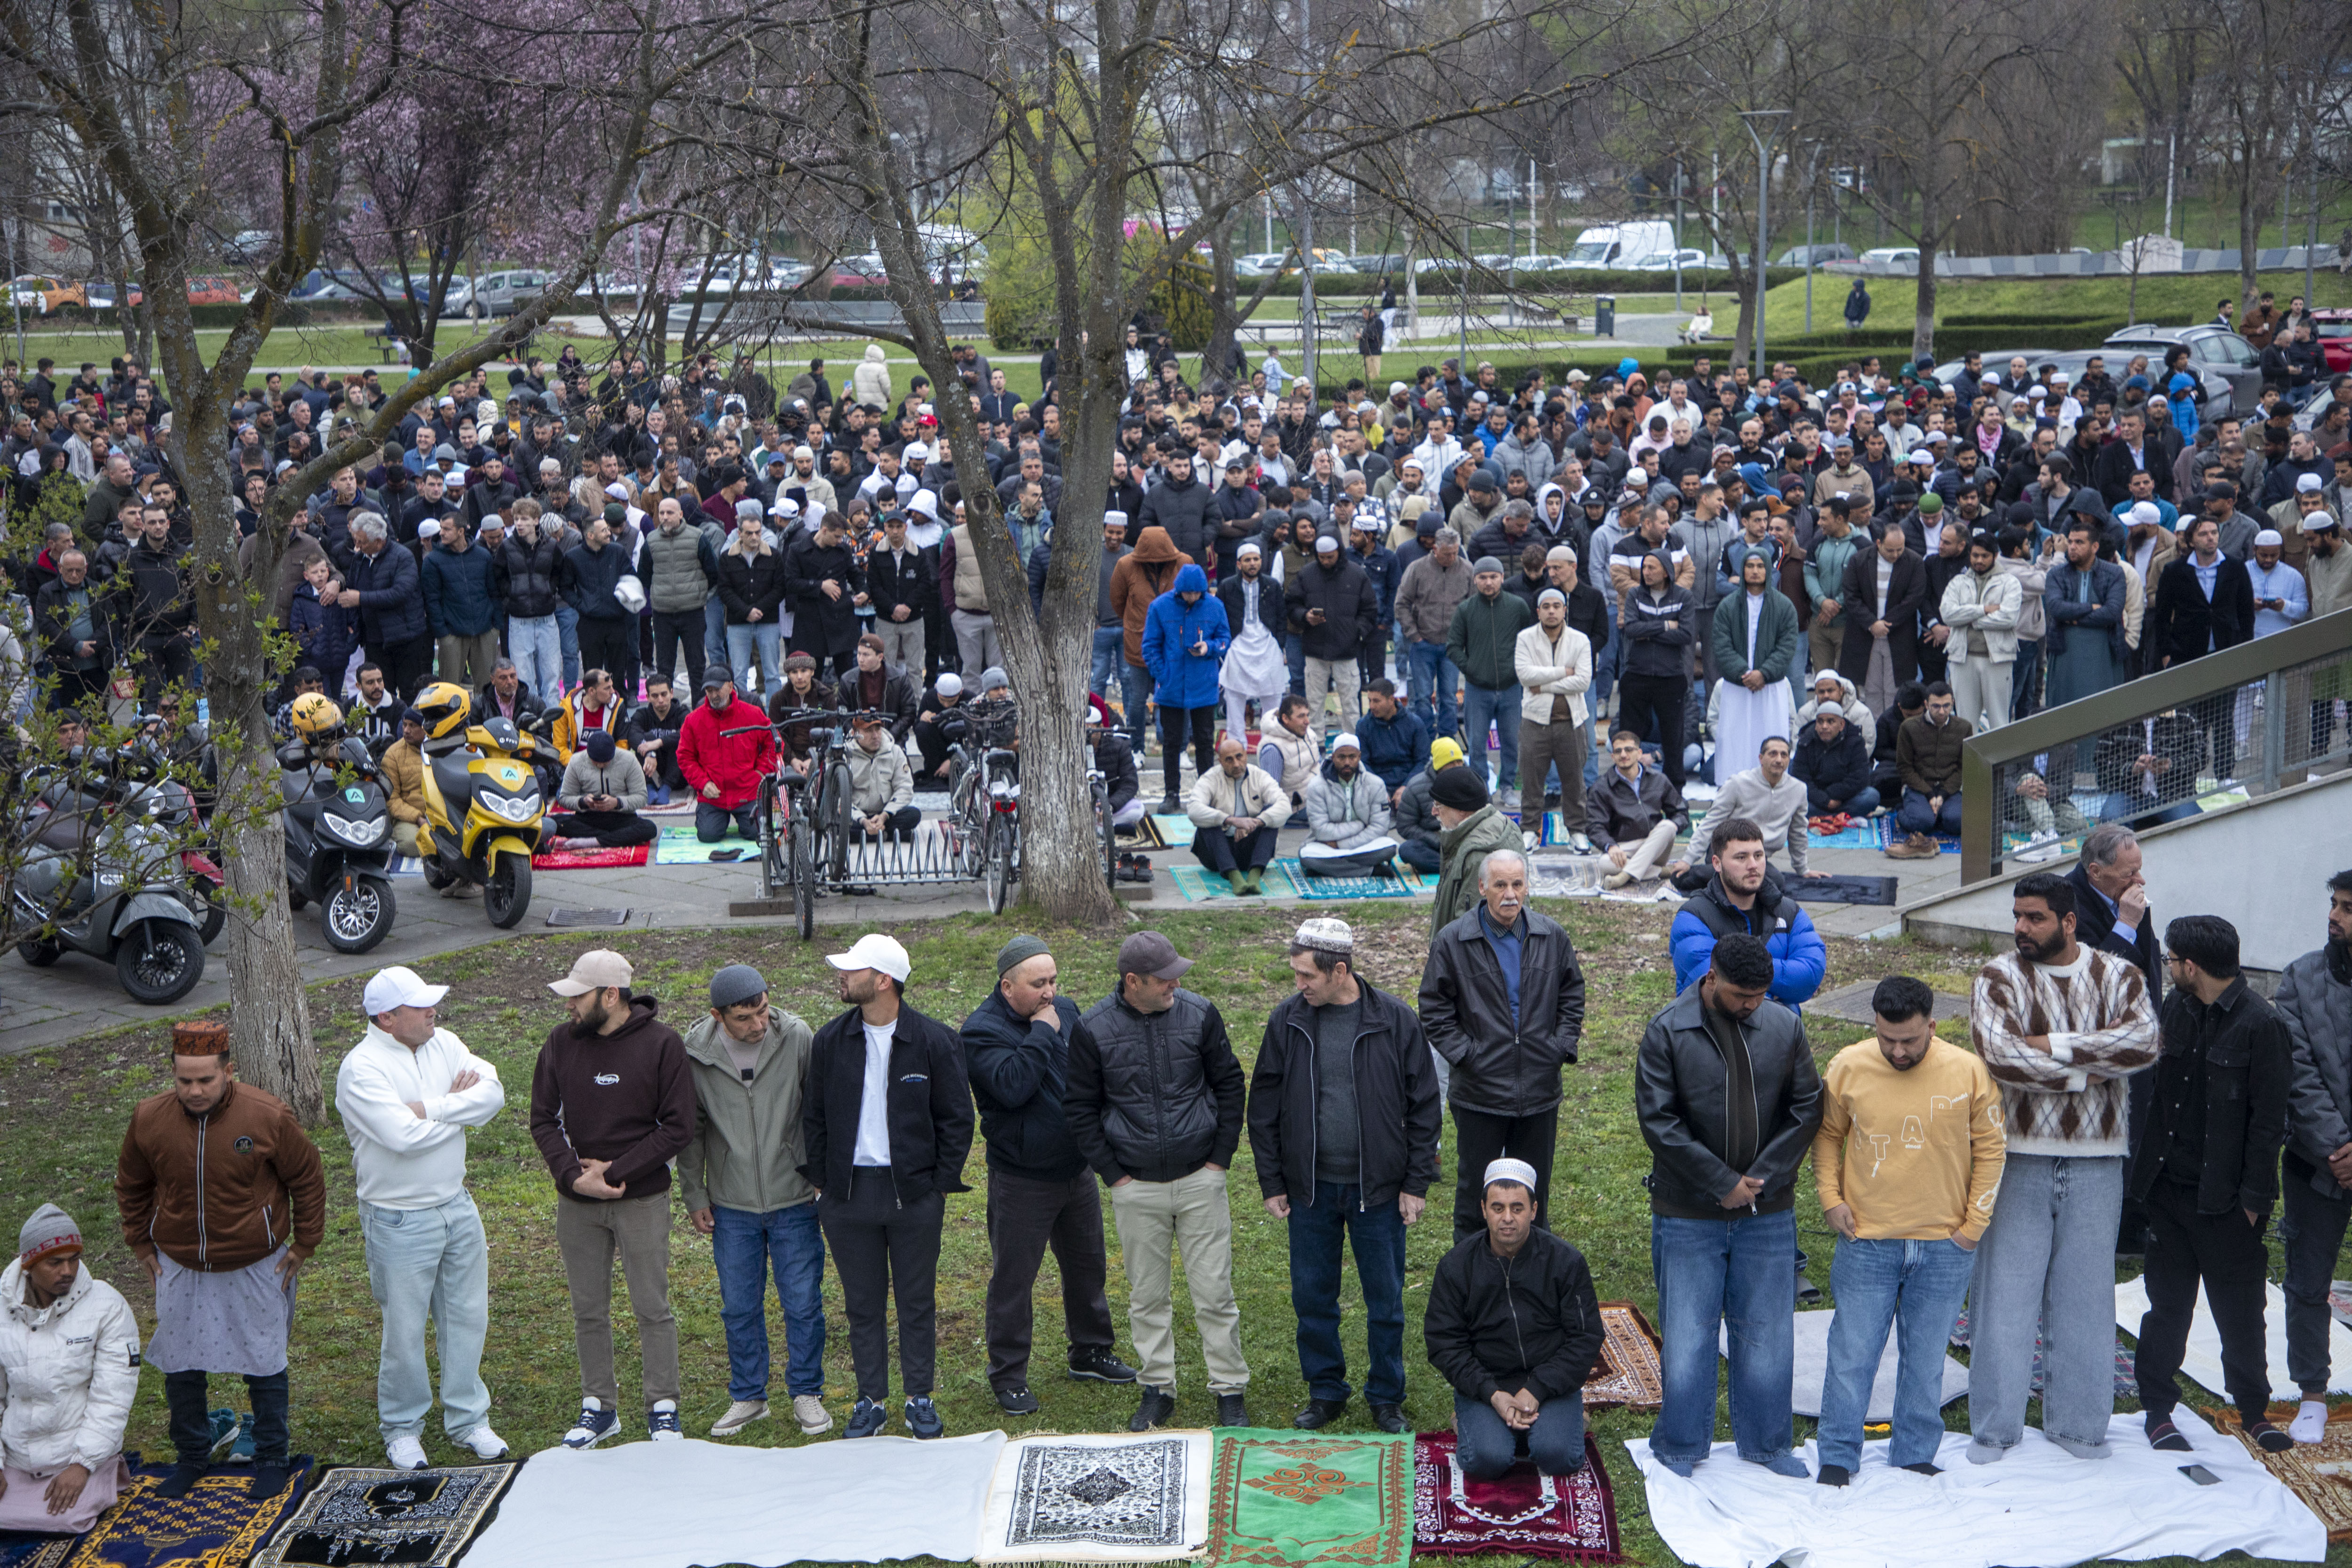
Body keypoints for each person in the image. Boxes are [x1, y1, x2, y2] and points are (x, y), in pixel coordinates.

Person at [1967, 873, 2159, 1464]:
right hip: (2017, 1155)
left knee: (2085, 1300)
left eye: (2035, 918)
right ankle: (1995, 1431)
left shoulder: (2120, 975)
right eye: (2017, 916)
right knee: (2004, 1296)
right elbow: (1998, 1055)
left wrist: (2049, 1045)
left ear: (2068, 921)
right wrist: (2088, 1067)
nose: (2021, 928)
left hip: (2099, 1160)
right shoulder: (1996, 977)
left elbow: (2145, 1043)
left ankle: (2078, 1428)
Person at [1636, 934, 1822, 1479]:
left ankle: (1766, 1445)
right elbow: (1658, 1121)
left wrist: (1761, 1178)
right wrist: (1720, 1182)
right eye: (1742, 995)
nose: (1751, 1005)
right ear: (1711, 978)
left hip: (1767, 1211)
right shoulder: (1667, 1030)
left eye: (1760, 996)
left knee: (1766, 1334)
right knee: (1689, 1337)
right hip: (1687, 1212)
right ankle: (1678, 1448)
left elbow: (1808, 1105)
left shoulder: (1784, 1026)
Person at [116, 1020, 326, 1499]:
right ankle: (191, 1456)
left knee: (264, 1361)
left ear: (228, 1070)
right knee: (182, 1366)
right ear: (172, 1073)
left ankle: (272, 1456)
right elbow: (132, 1184)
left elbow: (307, 1178)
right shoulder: (149, 1118)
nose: (194, 1090)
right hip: (182, 1263)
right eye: (184, 1080)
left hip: (257, 1262)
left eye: (205, 1080)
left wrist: (304, 1243)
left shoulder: (267, 1116)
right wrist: (141, 1244)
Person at [1810, 975, 2006, 1488]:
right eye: (1886, 1039)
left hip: (1945, 1244)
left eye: (1909, 1041)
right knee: (1851, 1352)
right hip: (1866, 1241)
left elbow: (1990, 1149)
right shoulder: (1847, 1067)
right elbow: (1828, 1137)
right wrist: (1830, 1200)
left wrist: (1972, 1227)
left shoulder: (1967, 1071)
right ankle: (1836, 1453)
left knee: (1925, 1356)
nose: (1897, 1051)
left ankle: (1914, 1451)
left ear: (1932, 1028)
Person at [1249, 917, 1440, 1432]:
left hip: (1378, 1191)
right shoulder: (1286, 1022)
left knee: (1386, 1301)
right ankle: (1326, 1391)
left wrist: (1414, 1183)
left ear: (1339, 970)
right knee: (1312, 1299)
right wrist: (1272, 1183)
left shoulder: (1395, 1021)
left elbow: (1425, 1107)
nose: (1298, 985)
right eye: (1294, 975)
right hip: (1309, 1191)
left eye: (1305, 976)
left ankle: (1386, 1396)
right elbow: (1262, 1108)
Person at [1068, 931, 1252, 1430]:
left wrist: (1219, 1160)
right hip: (1136, 1187)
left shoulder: (1200, 1014)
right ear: (1133, 981)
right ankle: (1157, 1387)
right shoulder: (1091, 1029)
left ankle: (1229, 1388)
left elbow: (1229, 1084)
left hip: (1200, 1178)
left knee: (1214, 1291)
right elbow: (1080, 1108)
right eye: (1164, 977)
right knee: (1146, 1295)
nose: (1176, 983)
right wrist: (1115, 1176)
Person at [2130, 915, 2294, 1454]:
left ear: (2190, 966)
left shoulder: (2260, 1025)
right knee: (2166, 1309)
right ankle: (2156, 1409)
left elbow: (2268, 1122)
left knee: (2241, 1313)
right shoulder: (2176, 1007)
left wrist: (2251, 1203)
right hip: (2168, 1193)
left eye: (2171, 960)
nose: (2169, 968)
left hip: (2225, 1204)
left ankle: (2252, 1410)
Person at [336, 966, 509, 1468]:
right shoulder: (361, 1069)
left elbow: (494, 1094)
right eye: (420, 1005)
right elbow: (402, 1140)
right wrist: (459, 1113)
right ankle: (402, 1428)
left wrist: (431, 1107)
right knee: (405, 1329)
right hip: (398, 1218)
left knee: (466, 1316)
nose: (433, 1010)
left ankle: (468, 1420)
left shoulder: (444, 1042)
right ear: (387, 1018)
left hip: (456, 1205)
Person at [801, 933, 973, 1440]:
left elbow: (957, 1120)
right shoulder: (830, 1041)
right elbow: (813, 1118)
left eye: (853, 970)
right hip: (847, 1197)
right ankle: (870, 1400)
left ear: (882, 981)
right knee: (862, 1303)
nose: (841, 976)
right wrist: (823, 1186)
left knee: (916, 1301)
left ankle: (919, 1397)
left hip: (913, 1197)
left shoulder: (934, 1041)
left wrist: (937, 1187)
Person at [961, 937, 1136, 1417]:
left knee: (1087, 1265)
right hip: (1022, 1178)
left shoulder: (1067, 1010)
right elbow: (1013, 1086)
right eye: (1038, 984)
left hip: (1075, 1167)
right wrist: (1041, 1031)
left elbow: (1084, 1073)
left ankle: (1090, 1350)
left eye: (1053, 981)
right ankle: (1008, 1375)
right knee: (1014, 1280)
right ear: (1006, 986)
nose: (1049, 993)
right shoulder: (980, 1032)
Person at [529, 950, 696, 1449]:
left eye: (577, 997)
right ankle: (599, 1406)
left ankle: (662, 1406)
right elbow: (542, 1119)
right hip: (577, 1202)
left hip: (641, 1198)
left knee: (652, 1306)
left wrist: (616, 1172)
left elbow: (679, 1127)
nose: (569, 1007)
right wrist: (572, 1176)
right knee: (588, 1309)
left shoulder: (663, 1045)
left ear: (609, 996)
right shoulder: (560, 1044)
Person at [678, 965, 831, 1439]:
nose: (758, 1025)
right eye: (744, 1018)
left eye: (763, 1011)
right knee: (739, 1306)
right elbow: (693, 1130)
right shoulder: (696, 1054)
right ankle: (748, 1396)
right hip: (731, 1204)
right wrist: (695, 1194)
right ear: (717, 1016)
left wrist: (820, 1174)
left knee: (803, 1302)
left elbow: (820, 1108)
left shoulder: (798, 1037)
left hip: (795, 1196)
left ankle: (806, 1392)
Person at [1421, 851, 1586, 1241]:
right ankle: (1472, 1280)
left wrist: (1559, 1047)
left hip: (1539, 1092)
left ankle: (1531, 1278)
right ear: (1483, 888)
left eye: (1517, 884)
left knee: (1533, 1194)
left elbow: (1572, 993)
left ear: (1527, 886)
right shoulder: (1453, 940)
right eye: (1500, 885)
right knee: (1474, 1196)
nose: (1510, 894)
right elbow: (1433, 1008)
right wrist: (1467, 1055)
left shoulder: (1551, 935)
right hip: (1479, 1093)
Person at [1423, 1156, 1604, 1480]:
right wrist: (1491, 1393)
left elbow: (1586, 1336)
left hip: (1549, 1382)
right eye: (1498, 1207)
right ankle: (1479, 1419)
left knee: (1558, 1456)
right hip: (1487, 1382)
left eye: (1517, 1208)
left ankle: (1558, 1418)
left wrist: (1536, 1389)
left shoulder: (1566, 1262)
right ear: (1483, 1209)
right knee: (1485, 1460)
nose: (1507, 1218)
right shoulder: (1456, 1266)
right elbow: (1444, 1343)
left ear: (1534, 1211)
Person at [0, 1205, 139, 1532]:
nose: (68, 1270)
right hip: (16, 1455)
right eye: (55, 1262)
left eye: (74, 1258)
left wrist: (83, 1464)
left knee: (65, 1519)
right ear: (28, 1264)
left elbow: (113, 1396)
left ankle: (100, 1478)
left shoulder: (108, 1305)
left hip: (79, 1451)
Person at [2280, 870, 2352, 1445]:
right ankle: (2310, 1394)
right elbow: (2296, 1072)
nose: (2334, 916)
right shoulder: (2300, 978)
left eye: (2348, 908)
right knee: (2307, 1280)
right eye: (2333, 904)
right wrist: (2336, 1146)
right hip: (2315, 1161)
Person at [1669, 816, 1828, 1008]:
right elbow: (1716, 986)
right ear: (1717, 863)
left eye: (1759, 856)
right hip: (1712, 1034)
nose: (1753, 865)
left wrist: (1746, 976)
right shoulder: (1694, 917)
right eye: (1741, 857)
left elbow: (1809, 976)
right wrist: (1780, 993)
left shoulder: (1788, 911)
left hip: (1780, 1032)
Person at [1447, 554, 1535, 810]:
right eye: (1483, 578)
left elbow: (1529, 641)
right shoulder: (1466, 610)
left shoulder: (1518, 607)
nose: (1489, 583)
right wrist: (1471, 669)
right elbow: (1453, 647)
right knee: (1476, 744)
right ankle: (1481, 790)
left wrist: (1519, 670)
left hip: (1511, 688)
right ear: (1475, 580)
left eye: (1493, 577)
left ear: (1502, 578)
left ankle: (1508, 787)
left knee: (1511, 742)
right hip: (1478, 689)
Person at [1709, 548, 1799, 775]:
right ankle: (1733, 791)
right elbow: (1722, 645)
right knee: (1734, 741)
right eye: (1750, 566)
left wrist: (1764, 674)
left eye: (1760, 566)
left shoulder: (1784, 606)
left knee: (1770, 737)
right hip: (1737, 686)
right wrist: (1744, 673)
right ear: (1742, 570)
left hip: (1770, 687)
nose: (1755, 571)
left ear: (1768, 570)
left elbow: (1787, 646)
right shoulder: (1727, 606)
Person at [1682, 738, 1816, 884]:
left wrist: (1803, 869)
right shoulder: (1738, 783)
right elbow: (1711, 823)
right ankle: (1689, 875)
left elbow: (1798, 833)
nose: (1779, 760)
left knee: (1775, 883)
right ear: (1761, 758)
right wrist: (1688, 860)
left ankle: (1717, 878)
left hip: (1758, 858)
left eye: (1784, 755)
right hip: (1727, 851)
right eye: (1773, 754)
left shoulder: (1798, 789)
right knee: (1764, 883)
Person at [1514, 587, 1593, 826]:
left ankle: (1577, 830)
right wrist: (1563, 672)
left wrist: (1545, 686)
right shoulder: (1525, 638)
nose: (1552, 611)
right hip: (1535, 722)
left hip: (1571, 722)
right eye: (1546, 607)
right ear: (1538, 612)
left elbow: (1583, 681)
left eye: (1556, 606)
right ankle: (1529, 828)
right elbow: (1526, 676)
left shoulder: (1580, 640)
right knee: (1532, 782)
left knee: (1574, 783)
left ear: (1565, 611)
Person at [678, 669, 776, 844]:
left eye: (718, 689)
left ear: (731, 686)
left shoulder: (753, 714)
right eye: (709, 691)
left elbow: (774, 743)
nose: (713, 695)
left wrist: (761, 773)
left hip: (748, 791)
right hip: (713, 796)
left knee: (757, 835)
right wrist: (703, 783)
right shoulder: (693, 720)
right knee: (708, 836)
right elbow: (685, 757)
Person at [1185, 735, 1290, 894]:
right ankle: (1235, 878)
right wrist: (1231, 821)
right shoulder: (1210, 778)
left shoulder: (1259, 776)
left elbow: (1285, 805)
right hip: (1216, 854)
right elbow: (1193, 809)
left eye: (1239, 757)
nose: (1236, 764)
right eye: (1229, 760)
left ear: (1246, 756)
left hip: (1249, 851)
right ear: (1220, 762)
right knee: (1208, 823)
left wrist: (1256, 822)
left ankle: (1254, 876)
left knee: (1271, 819)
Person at [1939, 531, 2021, 734]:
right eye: (1975, 555)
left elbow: (2008, 618)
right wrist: (1982, 610)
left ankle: (2001, 766)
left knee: (1999, 720)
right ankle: (1968, 766)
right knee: (1965, 722)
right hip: (1962, 658)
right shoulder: (1958, 582)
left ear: (1995, 556)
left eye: (1985, 556)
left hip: (1997, 659)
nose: (1979, 560)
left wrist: (1970, 622)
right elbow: (1948, 615)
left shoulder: (2010, 583)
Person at [1590, 729, 1689, 889]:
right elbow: (1595, 826)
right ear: (1612, 756)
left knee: (1668, 826)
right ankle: (1661, 872)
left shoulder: (1658, 780)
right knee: (1604, 863)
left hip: (1657, 846)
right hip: (1625, 848)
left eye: (1629, 750)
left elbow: (1681, 812)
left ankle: (1623, 877)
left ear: (1639, 753)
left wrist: (1674, 827)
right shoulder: (1601, 788)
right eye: (1618, 751)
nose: (1623, 755)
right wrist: (1611, 846)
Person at [1299, 733, 1397, 878]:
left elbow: (1380, 828)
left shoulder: (1376, 784)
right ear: (1333, 757)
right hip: (1326, 846)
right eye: (1341, 757)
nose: (1347, 762)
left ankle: (1330, 869)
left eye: (1352, 757)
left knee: (1390, 848)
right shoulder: (1317, 786)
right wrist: (1358, 825)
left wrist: (1341, 845)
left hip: (1359, 845)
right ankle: (1371, 871)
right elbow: (1320, 830)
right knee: (1307, 856)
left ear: (1359, 757)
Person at [1889, 681, 1970, 852]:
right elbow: (1904, 767)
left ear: (1953, 703)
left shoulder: (1964, 727)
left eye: (1946, 706)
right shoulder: (1909, 727)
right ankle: (1903, 808)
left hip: (1950, 789)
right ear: (1926, 705)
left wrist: (1942, 795)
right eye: (1936, 706)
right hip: (1918, 787)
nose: (1942, 711)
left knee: (1958, 823)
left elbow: (1964, 768)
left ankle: (1939, 814)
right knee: (1922, 824)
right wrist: (1929, 794)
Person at [551, 729, 658, 850]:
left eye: (606, 762)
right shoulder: (577, 761)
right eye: (595, 762)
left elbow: (642, 797)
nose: (600, 765)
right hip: (588, 818)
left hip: (622, 818)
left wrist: (617, 803)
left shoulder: (629, 760)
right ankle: (615, 838)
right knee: (553, 823)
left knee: (649, 828)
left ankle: (593, 841)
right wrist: (583, 802)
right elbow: (564, 797)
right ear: (588, 754)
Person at [841, 712, 919, 844]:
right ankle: (887, 835)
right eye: (869, 731)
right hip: (857, 816)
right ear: (855, 733)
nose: (875, 735)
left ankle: (870, 835)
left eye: (878, 729)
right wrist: (863, 820)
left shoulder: (895, 752)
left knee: (914, 815)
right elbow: (840, 798)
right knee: (836, 823)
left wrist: (884, 816)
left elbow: (905, 788)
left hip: (886, 814)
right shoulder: (844, 755)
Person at [1791, 706, 1879, 819]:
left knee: (1871, 797)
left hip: (1843, 798)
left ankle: (1823, 816)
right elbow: (1801, 779)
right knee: (1794, 800)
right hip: (1816, 798)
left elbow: (1859, 778)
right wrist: (1824, 800)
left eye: (1830, 722)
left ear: (1842, 725)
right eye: (1820, 722)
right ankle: (1839, 816)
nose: (1824, 727)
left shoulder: (1855, 741)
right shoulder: (1806, 741)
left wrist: (1832, 796)